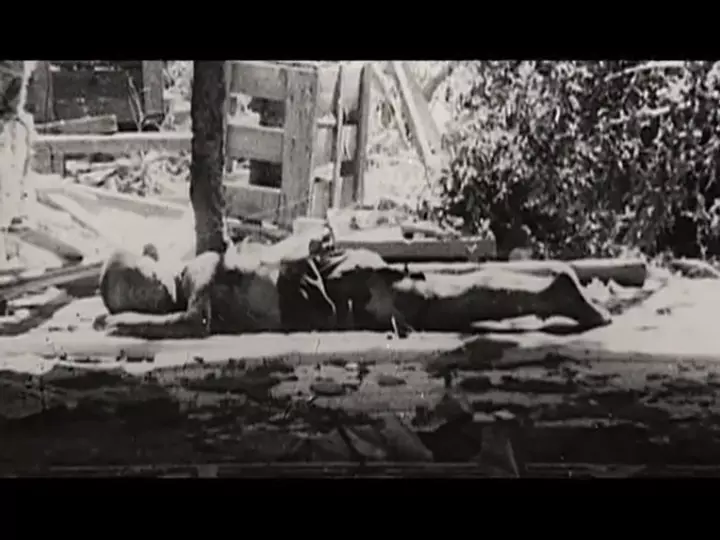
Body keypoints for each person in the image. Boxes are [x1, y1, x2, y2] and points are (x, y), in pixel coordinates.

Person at [94, 226, 611, 339]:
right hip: (324, 299)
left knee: (439, 302)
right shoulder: (190, 283)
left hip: (332, 286)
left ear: (153, 264)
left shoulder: (197, 271)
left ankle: (552, 294)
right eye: (132, 302)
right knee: (441, 303)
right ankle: (546, 294)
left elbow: (196, 323)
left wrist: (127, 327)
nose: (146, 300)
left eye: (139, 286)